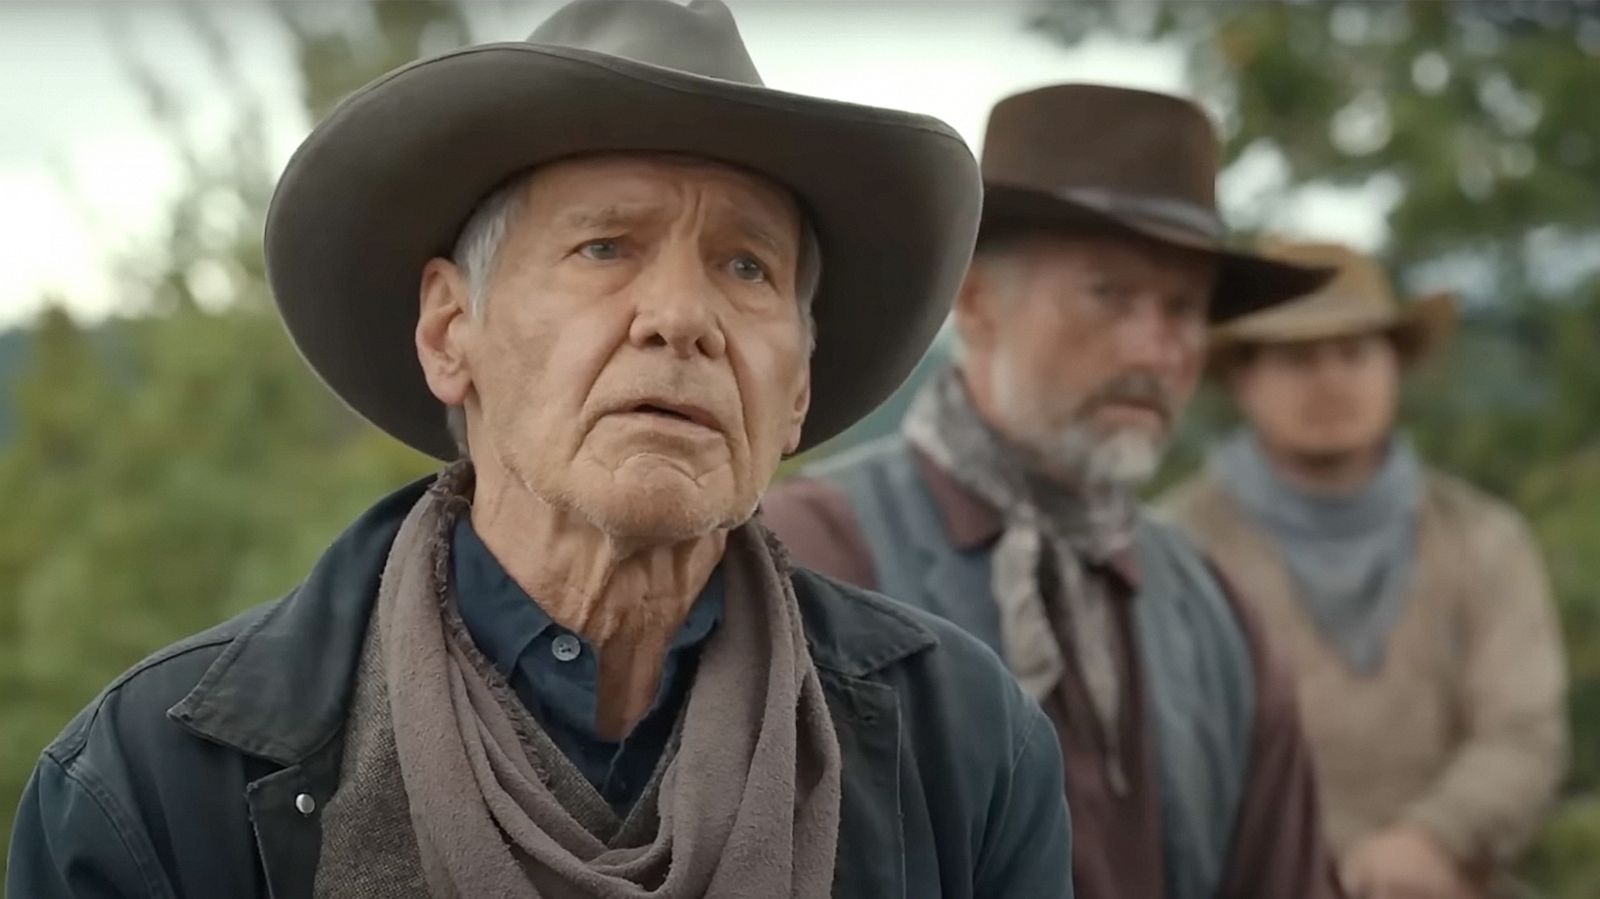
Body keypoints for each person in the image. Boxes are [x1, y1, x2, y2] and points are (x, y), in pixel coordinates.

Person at [6, 3, 1074, 897]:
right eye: (606, 246)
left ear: (795, 386)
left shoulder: (965, 749)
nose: (680, 316)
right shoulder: (154, 783)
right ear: (447, 330)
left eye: (746, 268)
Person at [763, 83, 1344, 899]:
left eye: (1183, 309)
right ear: (975, 302)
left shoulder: (1220, 617)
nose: (1154, 347)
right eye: (1109, 295)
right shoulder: (808, 555)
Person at [1160, 240, 1568, 899]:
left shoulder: (1482, 537)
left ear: (1394, 366)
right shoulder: (1178, 550)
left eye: (1354, 352)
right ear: (1243, 378)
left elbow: (1522, 733)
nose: (1330, 379)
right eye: (1296, 357)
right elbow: (1168, 763)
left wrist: (1432, 836)